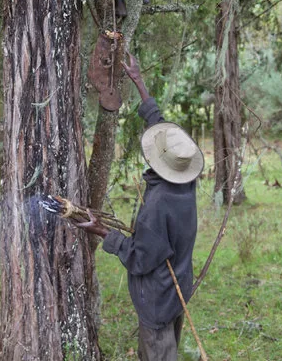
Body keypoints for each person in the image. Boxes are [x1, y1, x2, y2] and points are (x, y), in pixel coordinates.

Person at [75, 53, 204, 361]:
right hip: (178, 288)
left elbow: (139, 259)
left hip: (158, 298)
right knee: (169, 338)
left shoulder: (157, 207)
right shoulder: (185, 181)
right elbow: (159, 124)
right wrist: (138, 80)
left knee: (159, 351)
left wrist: (101, 231)